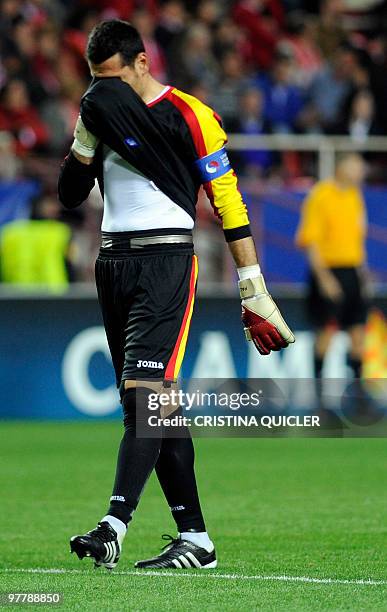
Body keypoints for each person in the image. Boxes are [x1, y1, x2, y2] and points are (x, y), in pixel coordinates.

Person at [58, 19, 294, 571]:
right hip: (111, 261)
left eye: (111, 79)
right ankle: (197, 539)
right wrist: (83, 142)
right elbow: (71, 194)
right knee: (153, 406)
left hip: (166, 261)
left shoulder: (190, 114)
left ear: (142, 63)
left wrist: (251, 283)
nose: (102, 91)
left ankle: (113, 526)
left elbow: (227, 201)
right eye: (96, 82)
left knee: (145, 396)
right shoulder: (96, 110)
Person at [295, 153, 369, 380]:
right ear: (340, 167)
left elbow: (358, 240)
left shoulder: (355, 196)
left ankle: (357, 393)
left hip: (352, 271)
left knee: (358, 333)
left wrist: (362, 276)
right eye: (355, 165)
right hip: (329, 271)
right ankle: (318, 391)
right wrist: (324, 278)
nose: (360, 171)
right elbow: (312, 241)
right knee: (327, 332)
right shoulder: (321, 196)